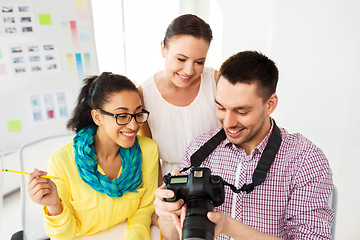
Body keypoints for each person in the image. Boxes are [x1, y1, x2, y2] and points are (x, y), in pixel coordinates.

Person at [154, 51, 334, 240]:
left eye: (241, 111)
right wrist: (166, 214)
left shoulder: (306, 160)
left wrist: (229, 227)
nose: (228, 123)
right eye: (221, 107)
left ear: (270, 104)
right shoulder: (198, 150)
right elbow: (172, 235)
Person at [25, 72, 159, 239]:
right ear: (97, 117)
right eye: (122, 116)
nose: (133, 125)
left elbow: (144, 209)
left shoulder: (148, 150)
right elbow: (65, 235)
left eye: (138, 114)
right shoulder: (61, 162)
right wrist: (54, 206)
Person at [139, 14, 221, 178]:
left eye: (199, 62)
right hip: (172, 182)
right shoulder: (143, 95)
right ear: (163, 48)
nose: (189, 70)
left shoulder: (217, 81)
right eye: (181, 59)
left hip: (219, 178)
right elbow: (148, 155)